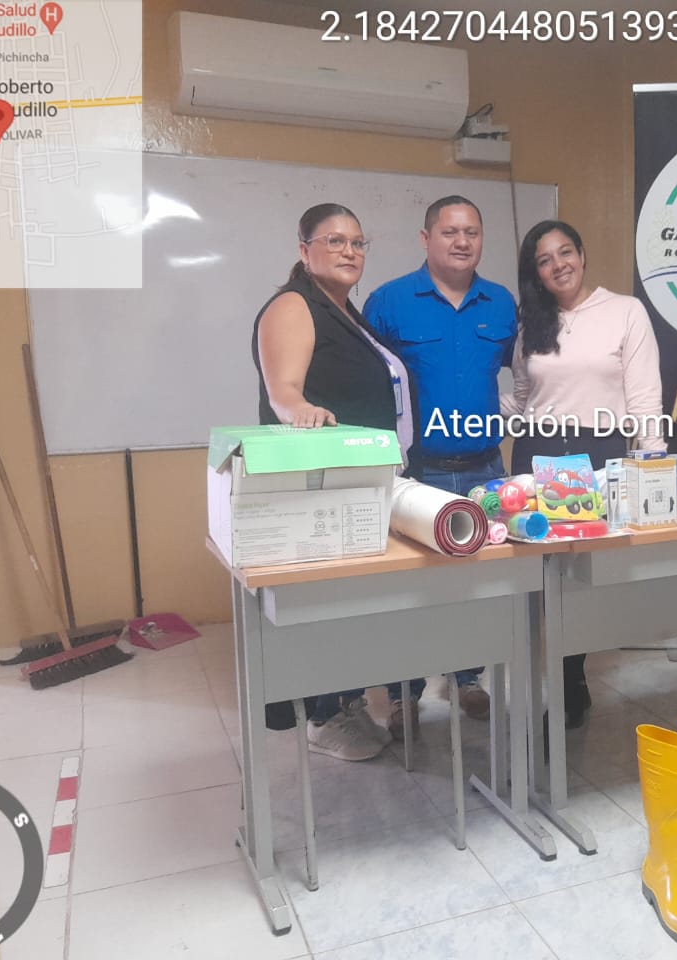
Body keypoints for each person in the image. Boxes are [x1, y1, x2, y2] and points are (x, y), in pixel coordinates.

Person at [251, 202, 416, 761]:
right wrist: (300, 409)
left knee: (354, 608)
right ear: (305, 250)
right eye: (335, 241)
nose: (350, 251)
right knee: (327, 606)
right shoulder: (294, 305)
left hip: (361, 484)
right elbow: (283, 391)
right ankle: (322, 717)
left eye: (358, 242)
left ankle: (345, 703)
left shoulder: (346, 313)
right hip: (322, 485)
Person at [364, 196, 517, 739]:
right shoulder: (388, 302)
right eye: (450, 231)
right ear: (425, 238)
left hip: (484, 468)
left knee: (478, 584)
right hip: (417, 471)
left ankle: (466, 677)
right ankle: (402, 693)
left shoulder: (502, 304)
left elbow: (524, 376)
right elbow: (368, 383)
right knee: (409, 590)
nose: (462, 241)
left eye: (472, 231)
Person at [506, 219, 666, 727]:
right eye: (544, 260)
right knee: (536, 577)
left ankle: (570, 679)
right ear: (535, 273)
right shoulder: (531, 324)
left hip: (595, 458)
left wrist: (653, 462)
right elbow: (524, 397)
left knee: (579, 580)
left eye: (565, 252)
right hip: (537, 454)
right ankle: (549, 681)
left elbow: (644, 396)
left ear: (581, 254)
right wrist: (467, 409)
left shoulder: (625, 312)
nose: (558, 265)